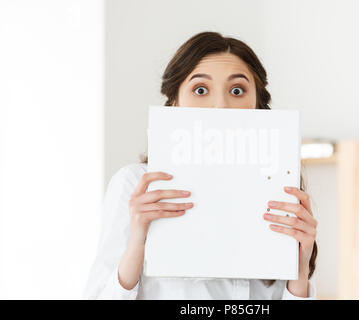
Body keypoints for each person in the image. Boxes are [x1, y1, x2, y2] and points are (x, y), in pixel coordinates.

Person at [84, 31, 318, 300]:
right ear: (174, 101)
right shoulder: (134, 186)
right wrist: (137, 244)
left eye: (237, 90)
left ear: (257, 105)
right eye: (200, 90)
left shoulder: (280, 186)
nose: (220, 106)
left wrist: (300, 269)